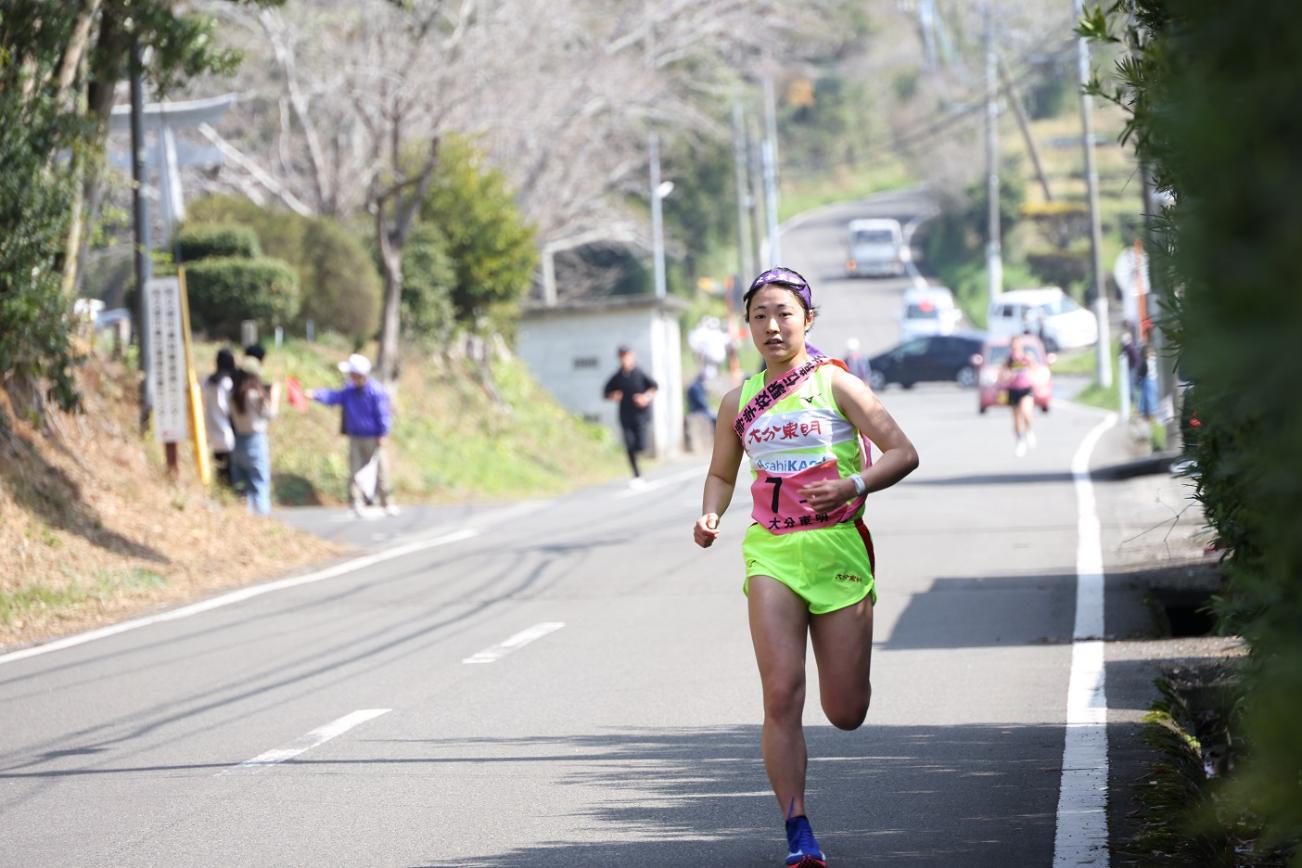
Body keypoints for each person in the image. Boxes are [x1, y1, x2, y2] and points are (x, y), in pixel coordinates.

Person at [693, 266, 919, 868]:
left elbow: (903, 452)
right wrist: (712, 514)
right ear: (747, 325)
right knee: (781, 693)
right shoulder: (737, 402)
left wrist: (853, 481)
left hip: (837, 547)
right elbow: (721, 472)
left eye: (784, 313)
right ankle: (798, 831)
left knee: (845, 711)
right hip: (772, 551)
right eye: (760, 315)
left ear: (808, 320)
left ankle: (839, 714)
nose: (771, 325)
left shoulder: (838, 385)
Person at [310, 353, 396, 517]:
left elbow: (383, 414)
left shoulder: (376, 391)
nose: (349, 376)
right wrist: (316, 394)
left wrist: (383, 432)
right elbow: (333, 396)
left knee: (381, 469)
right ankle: (356, 502)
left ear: (359, 374)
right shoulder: (349, 391)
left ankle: (387, 501)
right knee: (355, 470)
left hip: (373, 436)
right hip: (355, 436)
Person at [229, 356, 279, 515]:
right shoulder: (254, 396)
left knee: (243, 489)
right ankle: (263, 521)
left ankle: (246, 520)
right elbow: (271, 413)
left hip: (237, 442)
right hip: (255, 441)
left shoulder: (233, 396)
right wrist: (274, 396)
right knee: (260, 484)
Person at [603, 346, 657, 483]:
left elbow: (654, 387)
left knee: (640, 445)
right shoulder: (618, 376)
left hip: (641, 416)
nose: (624, 360)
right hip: (625, 416)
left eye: (626, 356)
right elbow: (605, 393)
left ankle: (639, 462)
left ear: (631, 356)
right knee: (629, 446)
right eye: (621, 357)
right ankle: (637, 474)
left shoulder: (639, 373)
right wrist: (613, 396)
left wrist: (645, 397)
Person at [201, 348, 237, 487]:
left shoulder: (208, 381)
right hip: (226, 430)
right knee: (229, 470)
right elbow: (229, 408)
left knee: (220, 468)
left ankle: (222, 490)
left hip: (212, 430)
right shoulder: (227, 382)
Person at [1005, 334, 1036, 457]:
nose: (1015, 346)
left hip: (1025, 389)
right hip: (1013, 390)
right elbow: (1002, 374)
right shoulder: (1008, 360)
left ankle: (1029, 431)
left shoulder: (1026, 357)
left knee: (1026, 412)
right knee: (1017, 419)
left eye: (1017, 343)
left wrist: (1031, 372)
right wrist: (1007, 375)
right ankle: (1020, 441)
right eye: (1013, 344)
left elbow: (1035, 369)